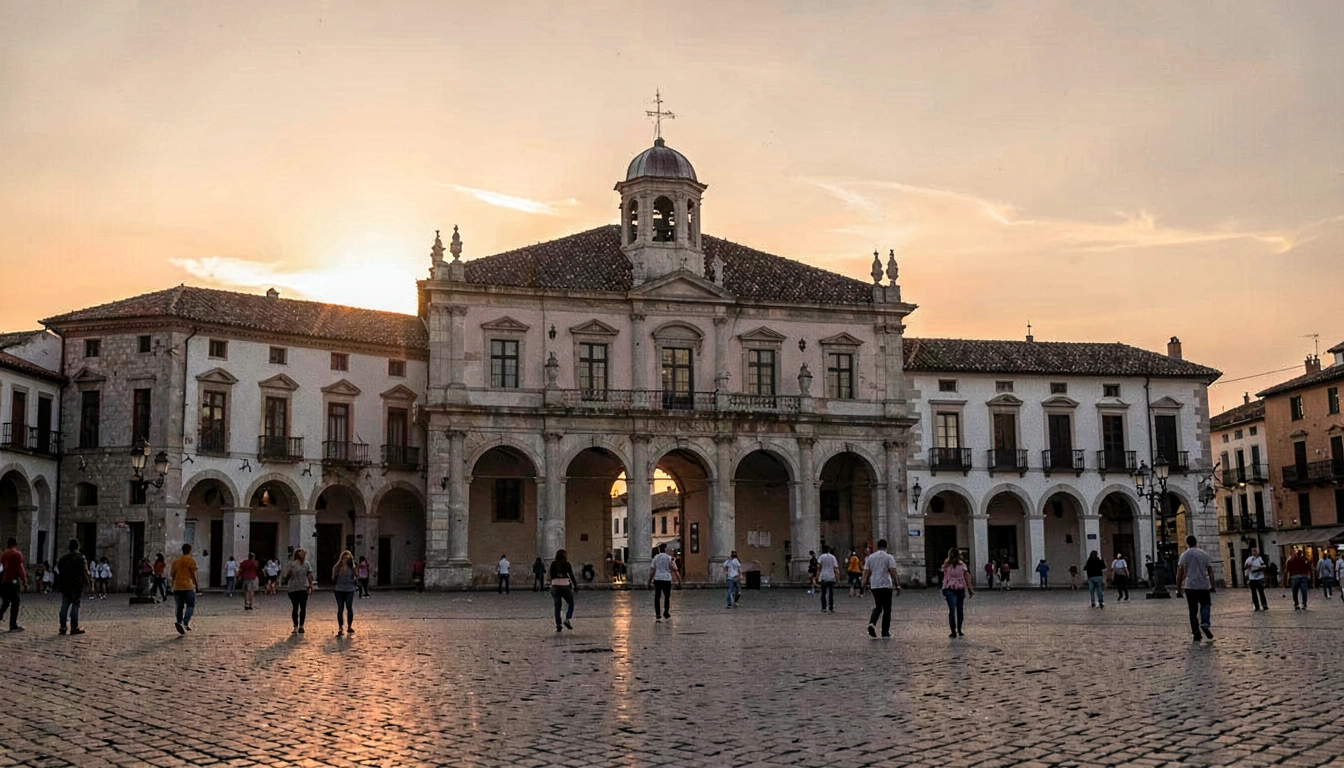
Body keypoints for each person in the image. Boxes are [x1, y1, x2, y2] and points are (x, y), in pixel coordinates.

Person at [1175, 535, 1216, 642]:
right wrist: (1212, 585)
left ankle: (1196, 634)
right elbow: (1210, 571)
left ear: (1187, 543)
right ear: (1196, 542)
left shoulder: (1184, 555)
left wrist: (1178, 589)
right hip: (1203, 585)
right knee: (1206, 605)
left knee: (1193, 611)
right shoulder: (1204, 554)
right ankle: (1205, 623)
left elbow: (1180, 573)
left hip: (1190, 585)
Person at [862, 539, 900, 638]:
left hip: (874, 584)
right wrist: (897, 584)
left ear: (877, 546)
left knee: (878, 606)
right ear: (886, 546)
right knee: (887, 609)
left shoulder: (871, 557)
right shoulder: (889, 557)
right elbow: (893, 571)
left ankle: (872, 623)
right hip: (886, 584)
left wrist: (864, 583)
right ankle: (885, 632)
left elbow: (866, 571)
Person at [56, 539, 90, 635]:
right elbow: (85, 571)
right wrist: (88, 584)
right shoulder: (81, 557)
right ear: (77, 546)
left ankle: (63, 626)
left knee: (64, 604)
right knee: (75, 604)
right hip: (77, 584)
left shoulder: (63, 558)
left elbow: (59, 571)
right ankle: (74, 627)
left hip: (65, 583)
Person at [941, 547, 974, 638]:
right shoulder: (962, 565)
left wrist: (943, 588)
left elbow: (945, 578)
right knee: (960, 610)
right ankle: (959, 629)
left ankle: (953, 632)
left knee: (952, 611)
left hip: (950, 589)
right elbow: (967, 578)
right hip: (960, 589)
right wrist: (970, 589)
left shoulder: (946, 565)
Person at [282, 548, 315, 633]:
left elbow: (310, 575)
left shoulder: (306, 564)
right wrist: (289, 574)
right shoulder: (291, 564)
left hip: (303, 587)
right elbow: (285, 576)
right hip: (293, 588)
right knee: (296, 607)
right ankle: (296, 625)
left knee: (302, 607)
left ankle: (301, 626)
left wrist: (310, 585)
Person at [170, 543, 199, 635]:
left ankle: (179, 622)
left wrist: (172, 585)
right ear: (190, 550)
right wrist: (197, 586)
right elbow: (193, 575)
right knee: (190, 605)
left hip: (177, 587)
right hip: (187, 586)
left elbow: (173, 575)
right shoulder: (191, 560)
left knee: (179, 606)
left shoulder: (176, 561)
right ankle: (185, 621)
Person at [0, 537, 28, 632]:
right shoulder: (16, 554)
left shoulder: (4, 554)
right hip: (13, 581)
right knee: (15, 602)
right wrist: (24, 580)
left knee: (5, 603)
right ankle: (12, 624)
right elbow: (19, 568)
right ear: (15, 544)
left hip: (4, 581)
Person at [648, 543, 681, 621]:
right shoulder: (669, 558)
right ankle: (666, 612)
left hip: (658, 578)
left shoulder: (656, 557)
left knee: (657, 597)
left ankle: (658, 614)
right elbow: (675, 570)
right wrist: (679, 581)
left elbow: (653, 570)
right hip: (666, 579)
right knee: (667, 597)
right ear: (665, 549)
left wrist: (649, 581)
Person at [549, 548, 576, 632]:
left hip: (555, 586)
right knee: (571, 603)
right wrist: (575, 585)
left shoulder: (553, 564)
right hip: (565, 585)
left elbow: (552, 575)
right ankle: (567, 618)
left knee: (557, 606)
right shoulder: (567, 564)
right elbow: (571, 575)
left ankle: (558, 626)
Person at [332, 550, 357, 635]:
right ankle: (340, 627)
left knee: (349, 607)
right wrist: (341, 569)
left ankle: (349, 626)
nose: (346, 559)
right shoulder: (337, 567)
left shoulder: (352, 567)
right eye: (344, 557)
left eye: (348, 557)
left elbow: (356, 576)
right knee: (340, 608)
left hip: (350, 589)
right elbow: (333, 577)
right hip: (339, 589)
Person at [1243, 547, 1268, 611]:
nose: (1255, 552)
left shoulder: (1260, 558)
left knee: (1261, 592)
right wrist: (1249, 566)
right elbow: (1245, 566)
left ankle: (1264, 605)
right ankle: (1256, 605)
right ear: (1252, 552)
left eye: (1256, 551)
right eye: (1253, 551)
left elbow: (1263, 565)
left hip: (1259, 577)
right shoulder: (1250, 559)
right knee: (1254, 593)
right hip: (1252, 578)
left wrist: (1263, 568)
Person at [816, 545, 839, 612]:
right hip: (831, 576)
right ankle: (831, 607)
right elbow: (836, 568)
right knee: (831, 593)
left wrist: (817, 577)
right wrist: (837, 577)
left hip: (823, 576)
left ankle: (823, 607)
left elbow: (818, 567)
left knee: (823, 593)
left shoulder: (821, 557)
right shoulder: (833, 557)